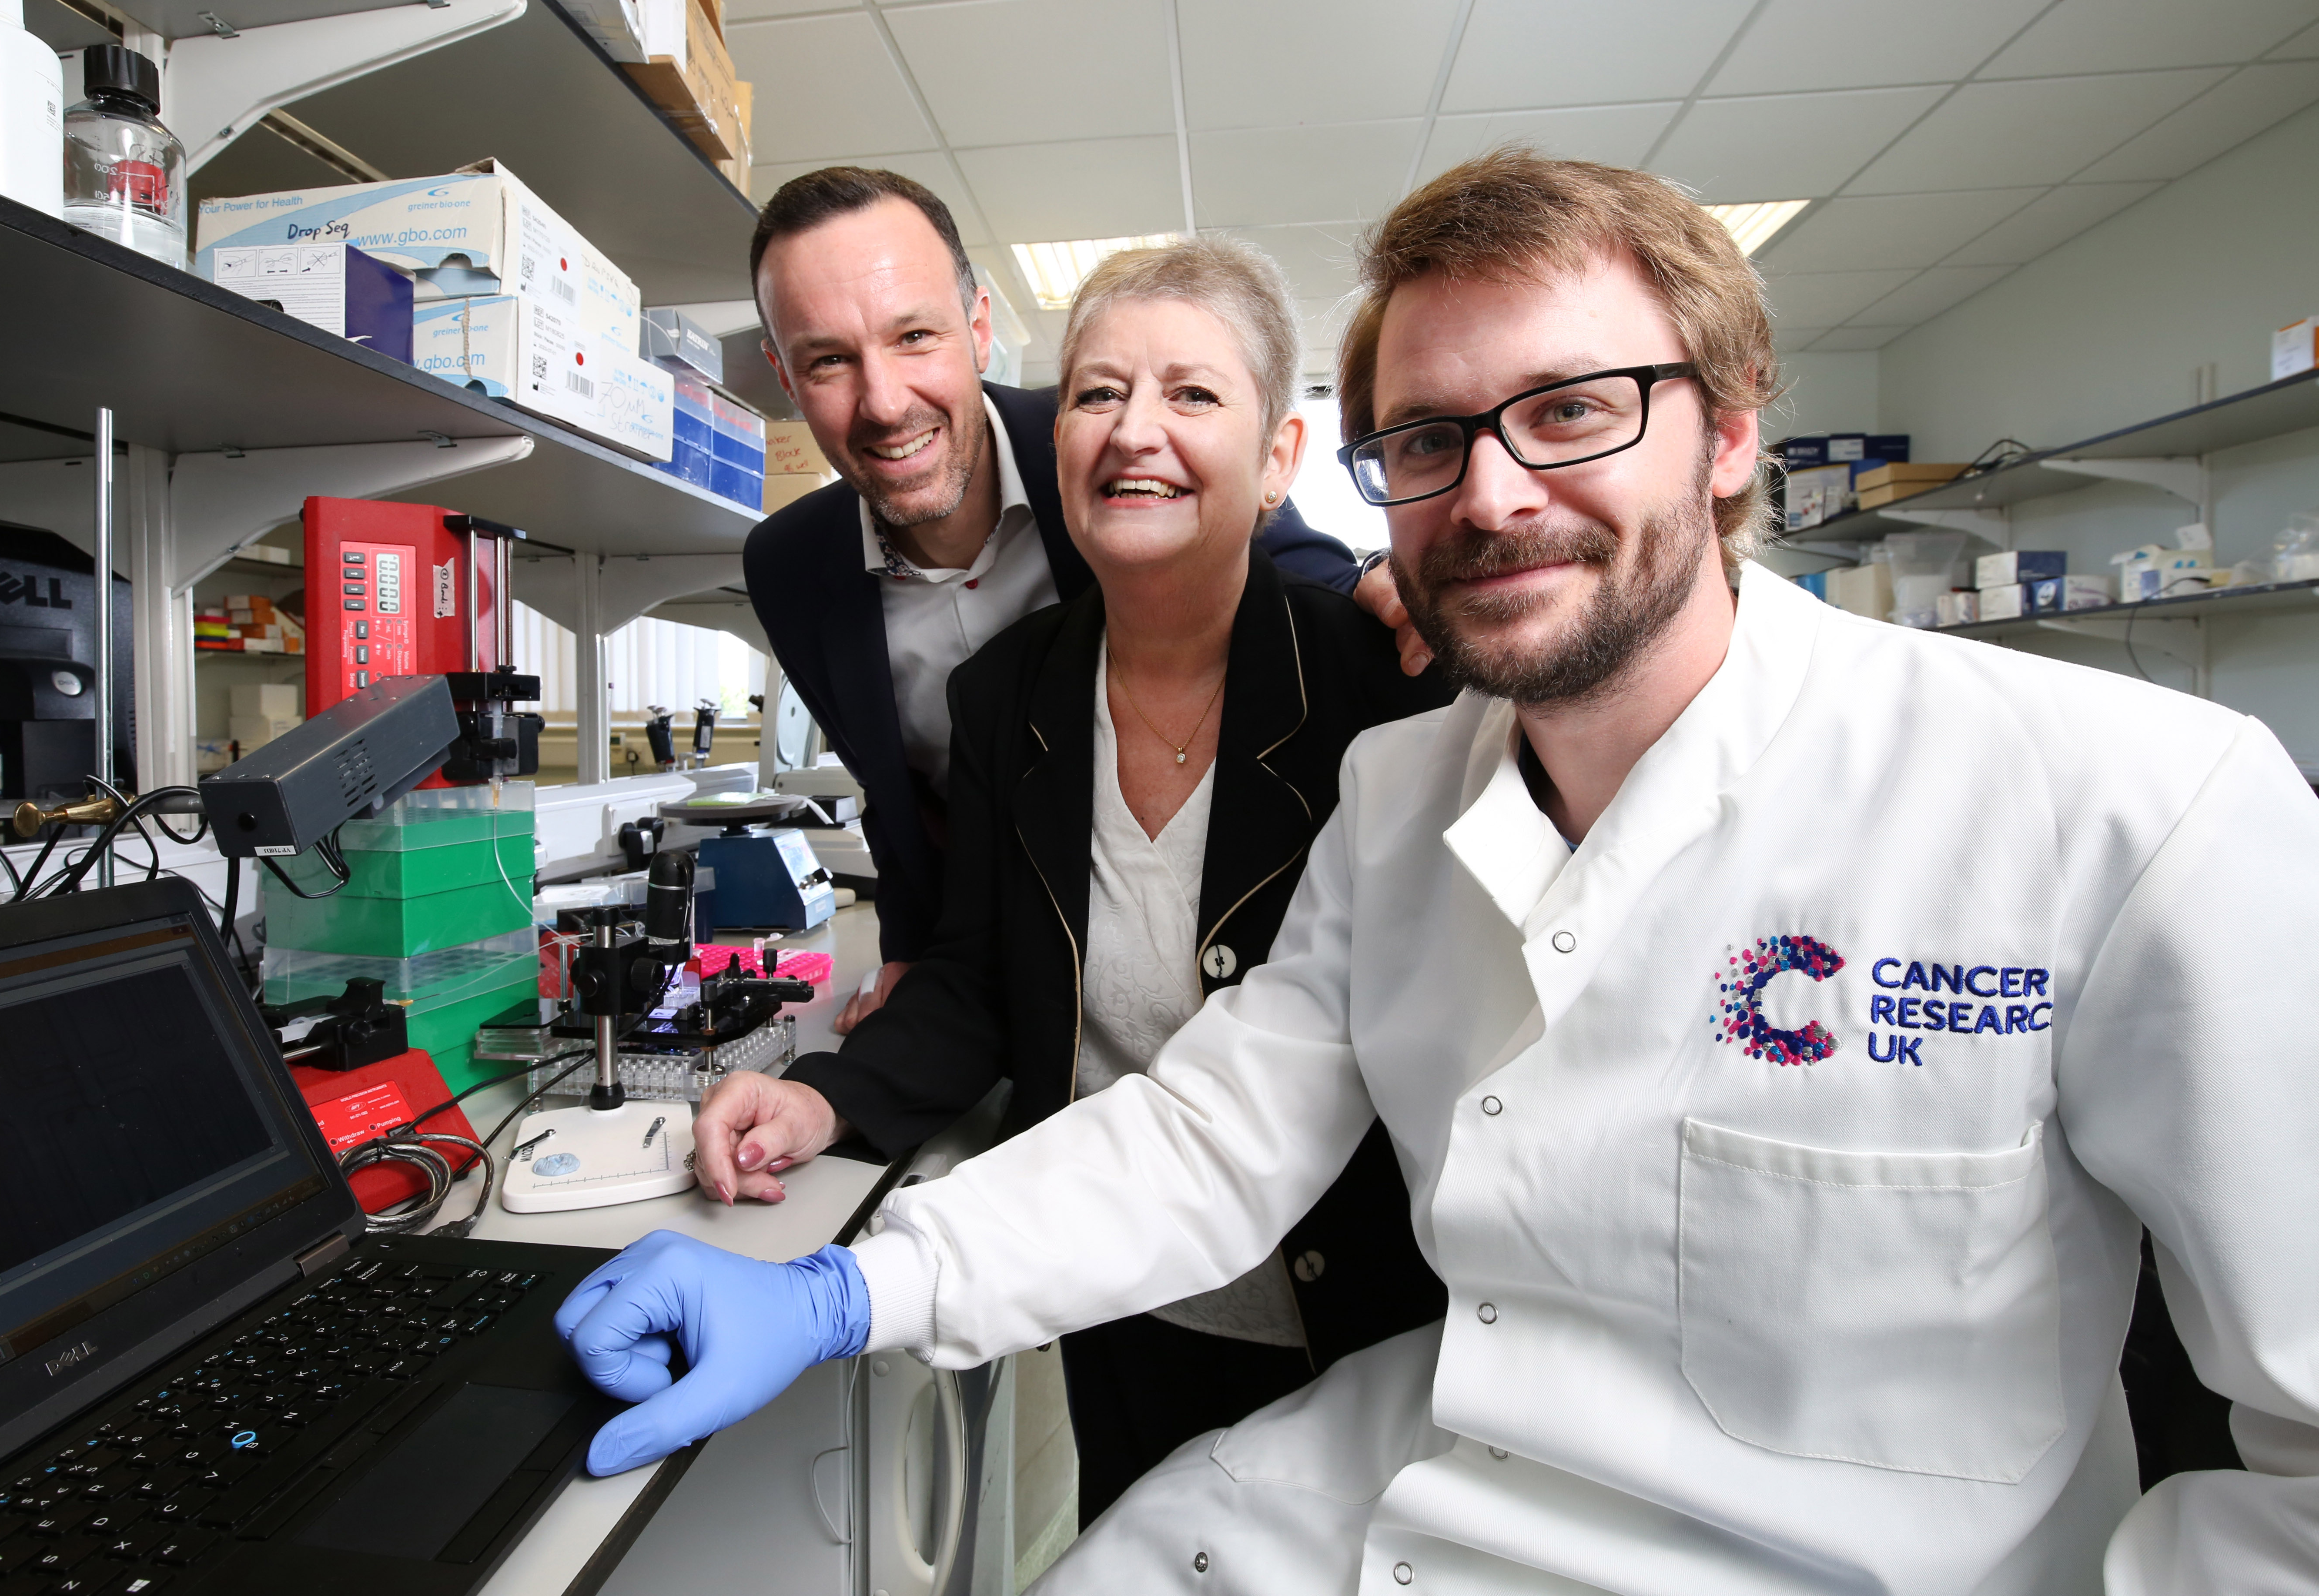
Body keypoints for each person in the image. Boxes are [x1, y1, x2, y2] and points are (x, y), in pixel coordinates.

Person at [555, 147, 2319, 1595]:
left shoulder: (2128, 803)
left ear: (1724, 432)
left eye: (1573, 410)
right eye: (1433, 436)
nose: (1491, 492)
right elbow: (1207, 1129)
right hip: (1395, 1501)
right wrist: (850, 1286)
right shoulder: (1404, 795)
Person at [697, 236, 1450, 1521]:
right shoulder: (1011, 694)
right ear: (1057, 445)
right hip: (1121, 1294)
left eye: (1193, 395)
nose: (1133, 431)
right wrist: (823, 1098)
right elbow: (983, 974)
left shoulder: (1388, 683)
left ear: (1280, 459)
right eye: (1098, 393)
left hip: (1368, 1312)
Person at [740, 168, 1424, 1034]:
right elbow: (897, 795)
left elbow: (1269, 556)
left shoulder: (1098, 450)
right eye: (828, 359)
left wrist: (1391, 581)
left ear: (978, 326)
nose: (882, 402)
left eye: (914, 335)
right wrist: (921, 964)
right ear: (783, 373)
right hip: (997, 969)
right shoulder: (789, 565)